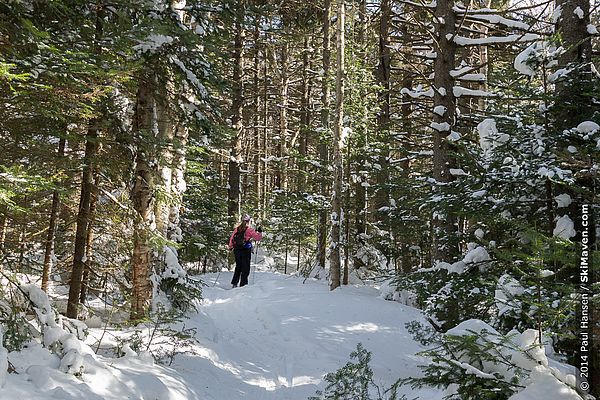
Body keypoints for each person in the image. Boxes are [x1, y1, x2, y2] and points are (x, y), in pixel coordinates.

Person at [228, 214, 263, 287]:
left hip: (237, 250)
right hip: (245, 250)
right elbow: (257, 238)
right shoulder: (249, 230)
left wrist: (230, 247)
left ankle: (234, 283)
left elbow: (232, 238)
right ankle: (243, 284)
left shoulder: (237, 229)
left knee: (238, 266)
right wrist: (260, 232)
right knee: (245, 267)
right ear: (249, 221)